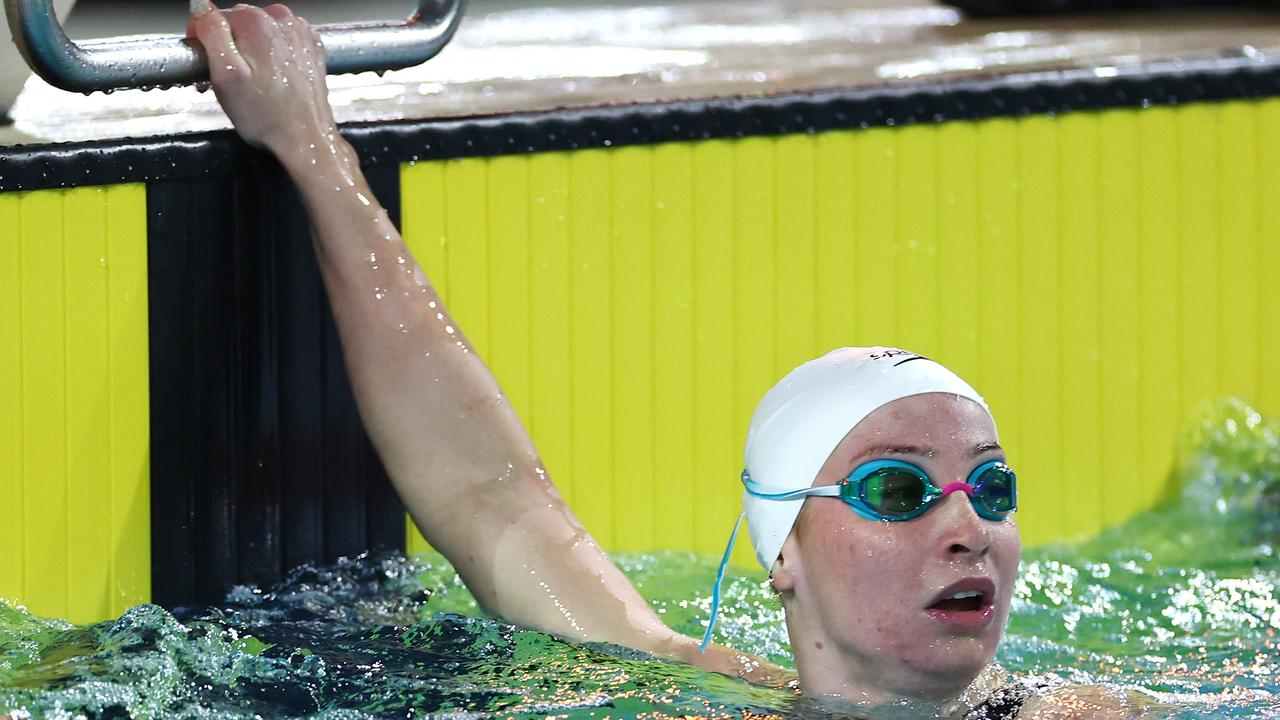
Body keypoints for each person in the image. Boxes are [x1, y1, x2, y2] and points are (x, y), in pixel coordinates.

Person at [186, 3, 1165, 717]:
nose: (968, 528)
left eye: (989, 489)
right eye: (897, 493)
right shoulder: (689, 694)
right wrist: (312, 146)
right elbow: (492, 498)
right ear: (781, 552)